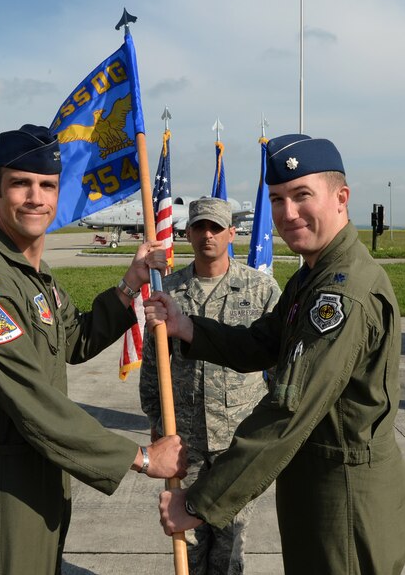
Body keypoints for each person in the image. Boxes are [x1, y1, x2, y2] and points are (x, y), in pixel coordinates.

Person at [146, 134, 405, 574]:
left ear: (341, 198)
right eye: (277, 199)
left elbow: (288, 411)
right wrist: (187, 327)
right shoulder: (313, 276)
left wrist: (198, 502)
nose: (287, 213)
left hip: (344, 497)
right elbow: (262, 343)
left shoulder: (340, 294)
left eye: (301, 195)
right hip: (317, 486)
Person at [0, 124, 187, 575]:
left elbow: (74, 340)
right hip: (2, 492)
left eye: (47, 186)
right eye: (21, 184)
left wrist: (130, 284)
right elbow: (34, 403)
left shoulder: (34, 277)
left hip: (42, 479)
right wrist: (142, 458)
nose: (36, 197)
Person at [139, 197, 280, 574]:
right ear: (187, 233)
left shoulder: (260, 289)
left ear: (232, 233)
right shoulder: (168, 291)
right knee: (189, 543)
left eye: (216, 228)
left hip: (239, 439)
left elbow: (279, 365)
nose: (207, 235)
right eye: (199, 227)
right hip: (186, 439)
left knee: (230, 542)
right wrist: (156, 419)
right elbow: (153, 362)